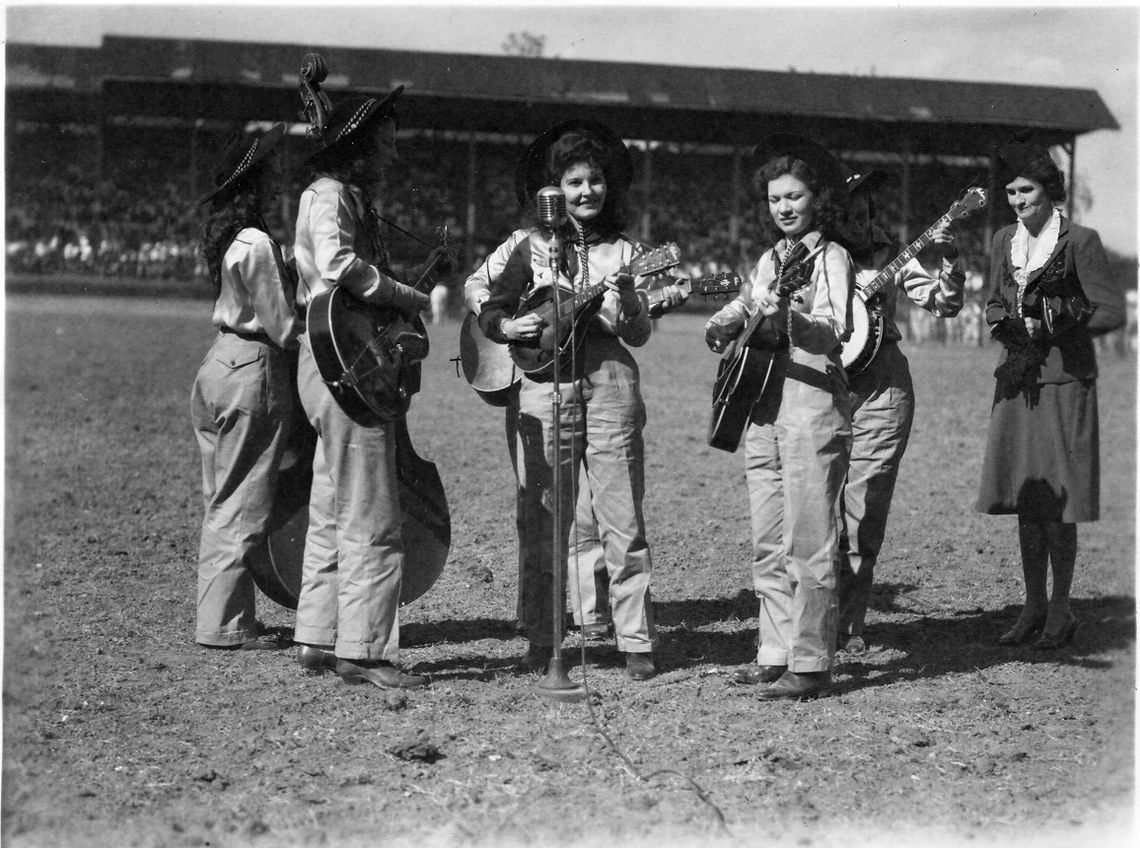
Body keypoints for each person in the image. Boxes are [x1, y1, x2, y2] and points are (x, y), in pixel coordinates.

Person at [474, 120, 667, 681]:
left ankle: (634, 639)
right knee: (541, 515)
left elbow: (636, 335)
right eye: (574, 182)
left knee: (622, 514)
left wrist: (630, 300)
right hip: (542, 384)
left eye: (596, 181)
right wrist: (507, 325)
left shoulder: (629, 252)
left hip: (610, 379)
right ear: (552, 190)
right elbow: (480, 292)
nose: (586, 193)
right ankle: (542, 636)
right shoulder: (526, 244)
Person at [291, 86, 450, 689]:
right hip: (342, 364)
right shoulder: (331, 197)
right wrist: (408, 296)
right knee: (374, 514)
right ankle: (364, 651)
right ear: (357, 147)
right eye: (382, 143)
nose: (391, 154)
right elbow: (336, 268)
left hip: (326, 360)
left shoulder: (334, 195)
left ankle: (317, 634)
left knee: (332, 504)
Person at [704, 133, 854, 700]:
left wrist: (795, 318)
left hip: (813, 406)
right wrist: (723, 321)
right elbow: (748, 303)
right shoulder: (770, 259)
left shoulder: (831, 257)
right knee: (767, 539)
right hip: (762, 405)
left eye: (793, 196)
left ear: (816, 200)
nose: (784, 208)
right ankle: (774, 651)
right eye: (774, 200)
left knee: (809, 538)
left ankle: (811, 661)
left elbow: (837, 327)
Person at [975, 142, 1124, 650]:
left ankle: (1062, 609)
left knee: (1059, 503)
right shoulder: (1002, 241)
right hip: (1017, 382)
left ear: (1049, 191)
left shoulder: (1080, 240)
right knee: (1028, 499)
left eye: (1027, 190)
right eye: (1011, 192)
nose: (1018, 200)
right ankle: (1032, 605)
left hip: (1065, 382)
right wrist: (1008, 327)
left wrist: (1056, 320)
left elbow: (1110, 311)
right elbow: (994, 302)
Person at [834, 167, 967, 654]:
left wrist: (950, 264)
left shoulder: (893, 255)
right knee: (813, 506)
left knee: (863, 509)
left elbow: (942, 304)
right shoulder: (807, 255)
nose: (860, 215)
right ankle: (806, 618)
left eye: (866, 206)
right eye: (850, 207)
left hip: (882, 390)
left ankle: (848, 624)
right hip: (822, 388)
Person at [191, 123, 300, 651]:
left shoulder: (228, 238)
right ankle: (226, 627)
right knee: (242, 498)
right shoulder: (257, 242)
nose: (278, 183)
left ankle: (221, 618)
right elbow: (282, 327)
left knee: (220, 496)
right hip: (252, 366)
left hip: (216, 362)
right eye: (270, 175)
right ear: (253, 185)